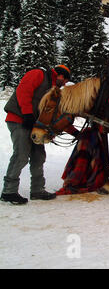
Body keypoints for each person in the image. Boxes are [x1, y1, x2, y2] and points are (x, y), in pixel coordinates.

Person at [1, 65, 79, 205]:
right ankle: (9, 191)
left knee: (39, 156)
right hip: (19, 119)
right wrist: (26, 114)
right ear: (60, 75)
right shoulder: (38, 74)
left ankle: (37, 190)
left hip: (34, 125)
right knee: (21, 155)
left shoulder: (52, 89)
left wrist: (74, 132)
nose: (65, 83)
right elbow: (23, 92)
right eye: (65, 79)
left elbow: (52, 116)